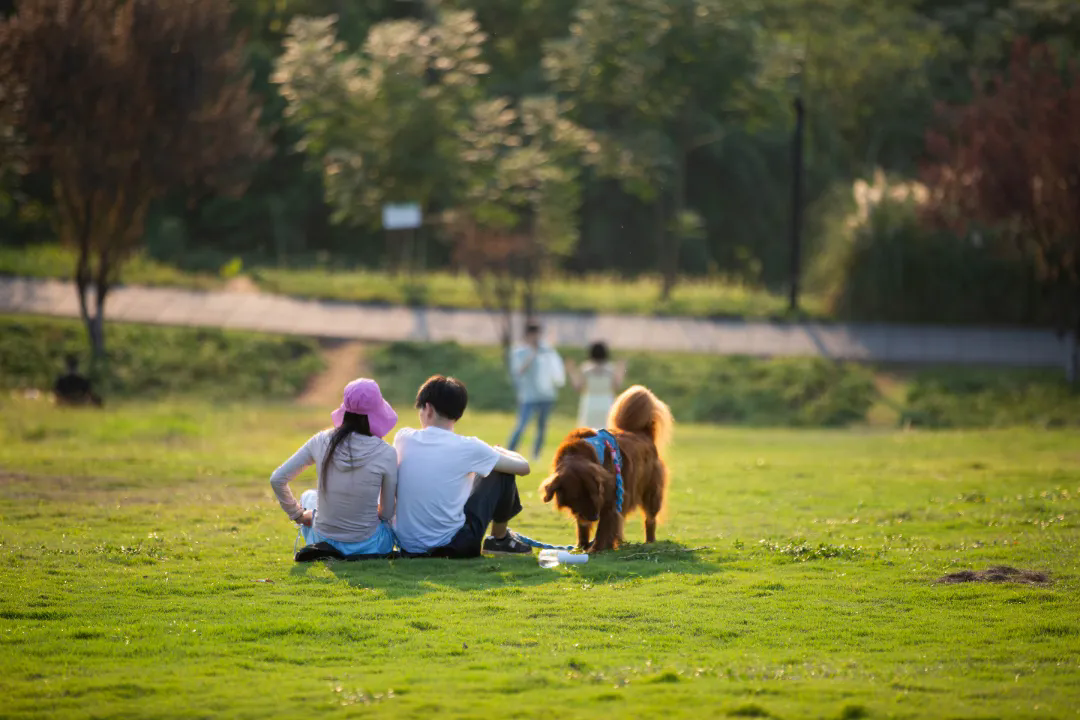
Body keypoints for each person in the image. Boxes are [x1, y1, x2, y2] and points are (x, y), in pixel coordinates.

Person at [393, 375, 534, 557]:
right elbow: (523, 467)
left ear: (428, 409)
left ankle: (499, 540)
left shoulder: (403, 437)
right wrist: (500, 452)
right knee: (501, 472)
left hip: (406, 545)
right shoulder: (469, 447)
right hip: (456, 546)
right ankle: (500, 540)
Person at [269, 378, 399, 556]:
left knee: (308, 497)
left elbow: (277, 479)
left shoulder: (321, 440)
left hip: (321, 539)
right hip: (370, 545)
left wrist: (298, 515)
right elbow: (386, 514)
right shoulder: (387, 453)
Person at [507, 323, 565, 459]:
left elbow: (556, 369)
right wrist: (532, 354)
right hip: (528, 396)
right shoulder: (519, 352)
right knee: (521, 425)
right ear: (528, 335)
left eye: (539, 334)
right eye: (534, 334)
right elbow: (518, 371)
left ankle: (536, 455)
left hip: (546, 395)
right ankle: (509, 451)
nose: (537, 337)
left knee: (541, 427)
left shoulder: (547, 350)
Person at [568, 341, 626, 429]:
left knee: (588, 432)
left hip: (590, 402)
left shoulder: (586, 368)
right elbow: (617, 385)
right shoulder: (610, 369)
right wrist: (621, 369)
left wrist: (571, 370)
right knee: (607, 430)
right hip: (607, 402)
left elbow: (578, 387)